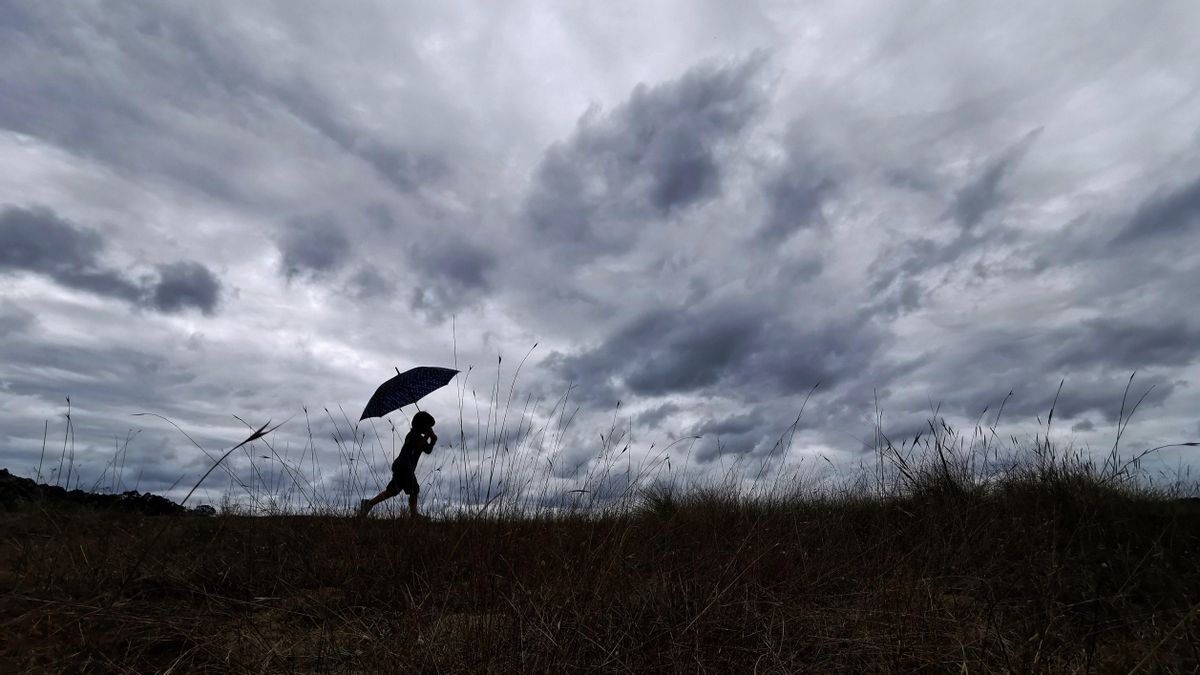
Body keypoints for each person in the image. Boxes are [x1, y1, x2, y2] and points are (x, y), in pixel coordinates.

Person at [359, 411, 437, 518]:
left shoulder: (419, 436)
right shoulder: (413, 435)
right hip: (404, 467)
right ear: (422, 425)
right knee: (414, 489)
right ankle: (414, 515)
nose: (429, 428)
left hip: (402, 467)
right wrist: (428, 436)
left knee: (392, 491)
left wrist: (433, 440)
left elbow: (427, 450)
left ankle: (369, 504)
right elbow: (418, 446)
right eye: (428, 426)